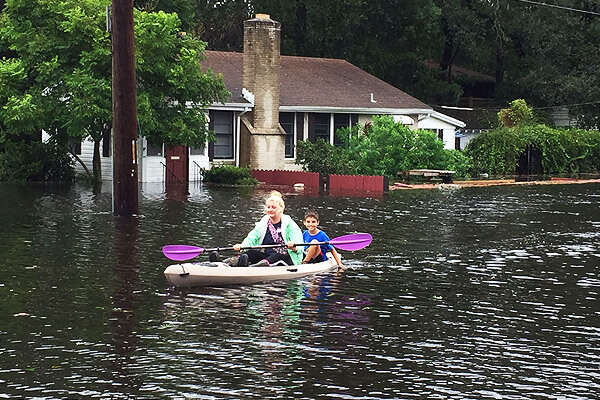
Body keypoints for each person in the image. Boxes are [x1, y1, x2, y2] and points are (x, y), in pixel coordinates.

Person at [217, 191, 303, 267]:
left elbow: (299, 244)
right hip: (267, 255)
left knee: (277, 256)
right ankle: (224, 263)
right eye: (268, 207)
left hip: (288, 257)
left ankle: (256, 268)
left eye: (273, 207)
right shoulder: (263, 223)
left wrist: (294, 246)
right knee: (251, 253)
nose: (270, 210)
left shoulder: (290, 224)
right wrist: (242, 246)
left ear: (281, 209)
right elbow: (252, 237)